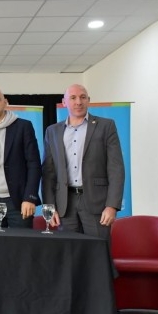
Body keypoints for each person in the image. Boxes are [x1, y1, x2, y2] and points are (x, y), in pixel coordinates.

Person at [41, 84, 125, 239]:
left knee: (98, 249)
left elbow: (116, 168)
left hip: (97, 203)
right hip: (65, 204)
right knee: (69, 251)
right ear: (64, 102)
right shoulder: (52, 131)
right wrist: (49, 207)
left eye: (82, 97)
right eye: (73, 98)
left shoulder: (106, 126)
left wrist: (112, 206)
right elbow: (48, 172)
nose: (78, 102)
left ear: (88, 100)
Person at [0, 87, 42, 228]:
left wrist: (30, 197)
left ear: (5, 102)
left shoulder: (23, 127)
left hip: (19, 200)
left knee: (21, 241)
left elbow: (34, 165)